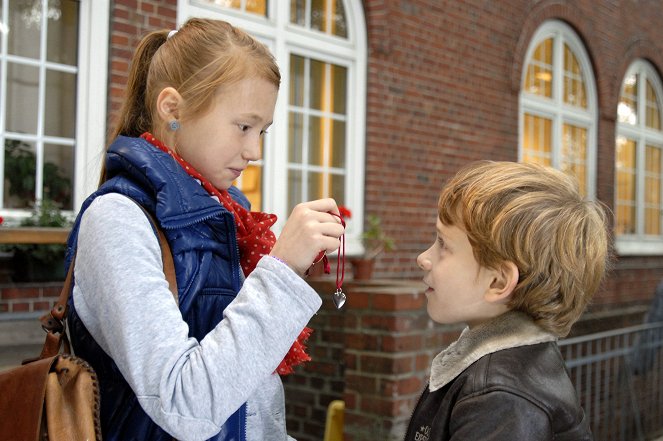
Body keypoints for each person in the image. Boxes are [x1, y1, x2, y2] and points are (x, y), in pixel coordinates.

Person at [65, 18, 344, 441]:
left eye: (263, 131)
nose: (254, 151)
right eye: (244, 126)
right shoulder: (118, 219)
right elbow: (185, 404)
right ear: (173, 109)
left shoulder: (229, 220)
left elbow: (251, 401)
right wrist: (282, 270)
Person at [404, 160, 609, 441]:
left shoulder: (498, 402)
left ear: (498, 282)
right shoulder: (502, 380)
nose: (423, 258)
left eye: (443, 245)